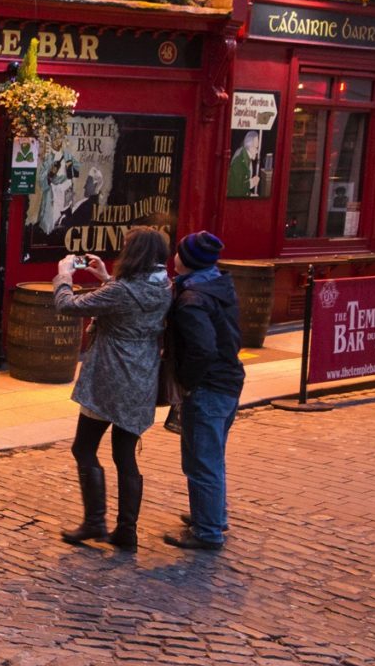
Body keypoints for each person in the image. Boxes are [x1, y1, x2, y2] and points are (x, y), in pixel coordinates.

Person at [54, 226, 173, 553]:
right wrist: (106, 277)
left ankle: (95, 520)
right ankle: (126, 531)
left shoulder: (122, 290)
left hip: (110, 375)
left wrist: (64, 275)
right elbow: (127, 302)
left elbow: (68, 306)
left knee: (84, 447)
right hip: (142, 377)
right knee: (125, 455)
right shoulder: (163, 285)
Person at [164, 232, 245, 551]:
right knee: (212, 455)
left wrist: (185, 381)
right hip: (228, 381)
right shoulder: (216, 285)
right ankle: (212, 515)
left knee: (202, 460)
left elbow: (202, 348)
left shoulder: (192, 300)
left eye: (179, 252)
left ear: (185, 260)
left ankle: (208, 530)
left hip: (208, 386)